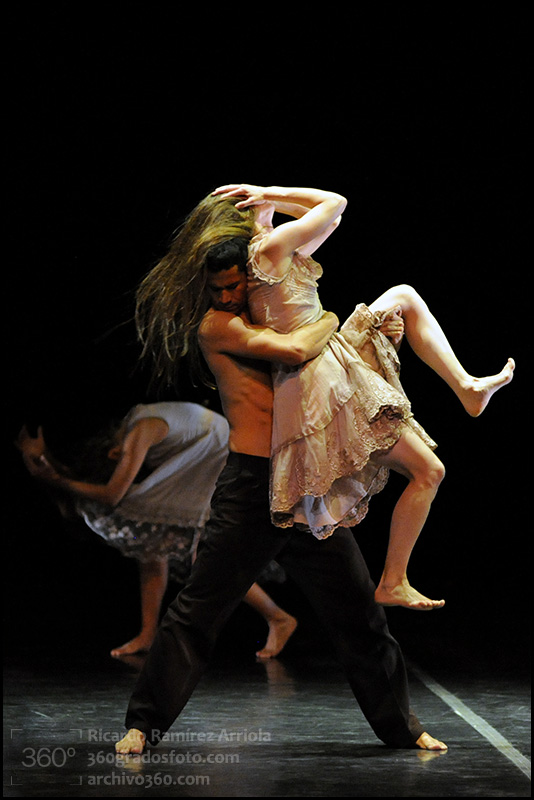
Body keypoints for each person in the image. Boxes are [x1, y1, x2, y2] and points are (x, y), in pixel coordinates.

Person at [116, 193, 447, 754]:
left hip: (307, 482)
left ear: (251, 274)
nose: (226, 296)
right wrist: (331, 321)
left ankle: (403, 728)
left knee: (359, 614)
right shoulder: (218, 327)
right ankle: (143, 725)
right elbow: (295, 350)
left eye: (233, 285)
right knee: (199, 608)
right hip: (252, 486)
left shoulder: (268, 301)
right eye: (216, 289)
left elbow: (332, 210)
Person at [207, 184, 514, 611]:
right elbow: (335, 202)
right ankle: (393, 581)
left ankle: (467, 387)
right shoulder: (269, 249)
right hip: (321, 376)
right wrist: (271, 192)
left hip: (328, 359)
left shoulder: (274, 253)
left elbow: (332, 219)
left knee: (404, 296)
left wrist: (268, 202)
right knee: (429, 472)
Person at [16, 402, 297, 659]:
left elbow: (112, 494)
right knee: (152, 542)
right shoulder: (135, 423)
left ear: (114, 452)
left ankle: (277, 617)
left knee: (202, 554)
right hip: (207, 450)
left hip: (214, 452)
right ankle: (148, 634)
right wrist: (48, 463)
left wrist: (56, 479)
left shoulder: (139, 431)